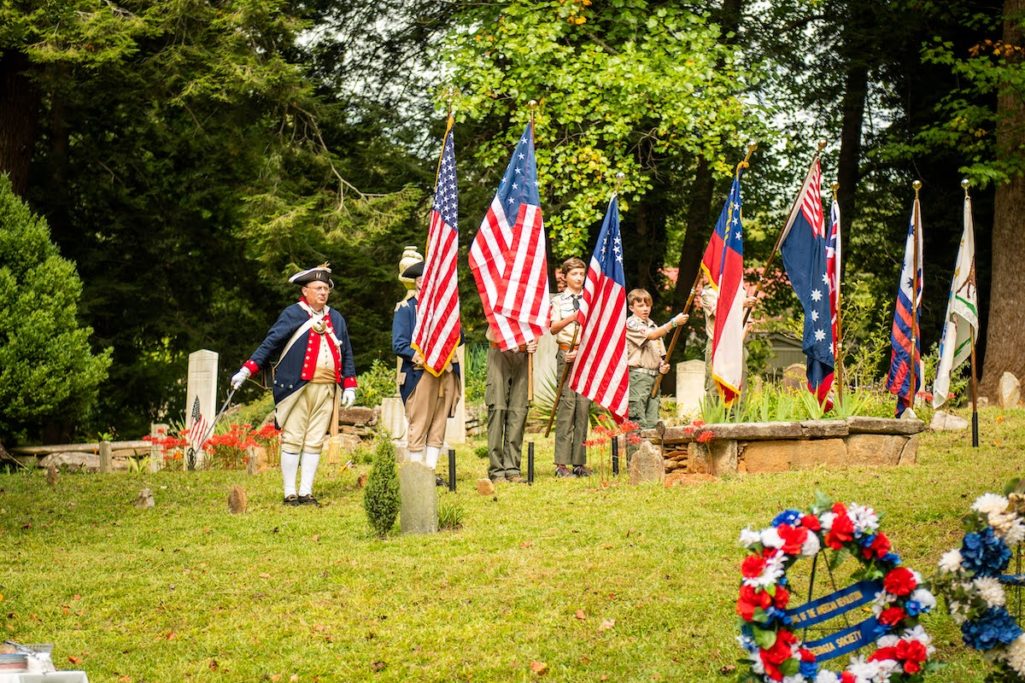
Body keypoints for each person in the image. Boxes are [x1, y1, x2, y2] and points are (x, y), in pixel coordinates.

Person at [230, 264, 357, 506]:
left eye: (326, 289)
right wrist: (247, 369)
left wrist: (349, 384)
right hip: (298, 387)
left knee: (315, 439)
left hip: (327, 388)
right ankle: (290, 492)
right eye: (318, 288)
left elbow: (346, 352)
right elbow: (271, 343)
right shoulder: (293, 314)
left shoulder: (336, 318)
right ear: (305, 291)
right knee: (293, 437)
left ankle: (305, 491)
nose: (323, 292)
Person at [392, 261, 461, 473]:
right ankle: (416, 471)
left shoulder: (446, 309)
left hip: (445, 373)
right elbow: (399, 344)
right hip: (420, 373)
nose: (424, 280)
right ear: (417, 282)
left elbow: (460, 337)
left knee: (439, 424)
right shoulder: (406, 310)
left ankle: (430, 471)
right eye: (421, 277)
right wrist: (424, 358)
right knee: (419, 423)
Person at [549, 257, 591, 478]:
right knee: (567, 407)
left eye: (582, 274)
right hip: (566, 352)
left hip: (585, 354)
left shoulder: (590, 299)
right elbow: (553, 328)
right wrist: (573, 318)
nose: (579, 278)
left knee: (583, 408)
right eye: (574, 274)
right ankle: (561, 463)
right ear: (565, 277)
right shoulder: (558, 301)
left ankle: (579, 462)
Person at [626, 289, 687, 429]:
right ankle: (635, 451)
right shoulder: (631, 323)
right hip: (638, 377)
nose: (645, 309)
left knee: (652, 421)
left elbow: (659, 352)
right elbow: (651, 336)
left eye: (647, 305)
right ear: (631, 308)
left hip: (655, 378)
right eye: (640, 305)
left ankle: (650, 451)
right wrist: (673, 323)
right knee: (637, 420)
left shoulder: (653, 325)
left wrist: (662, 366)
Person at [485, 327, 536, 484]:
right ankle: (496, 470)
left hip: (523, 354)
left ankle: (512, 468)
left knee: (518, 411)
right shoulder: (498, 300)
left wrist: (535, 340)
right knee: (498, 408)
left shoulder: (531, 302)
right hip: (499, 350)